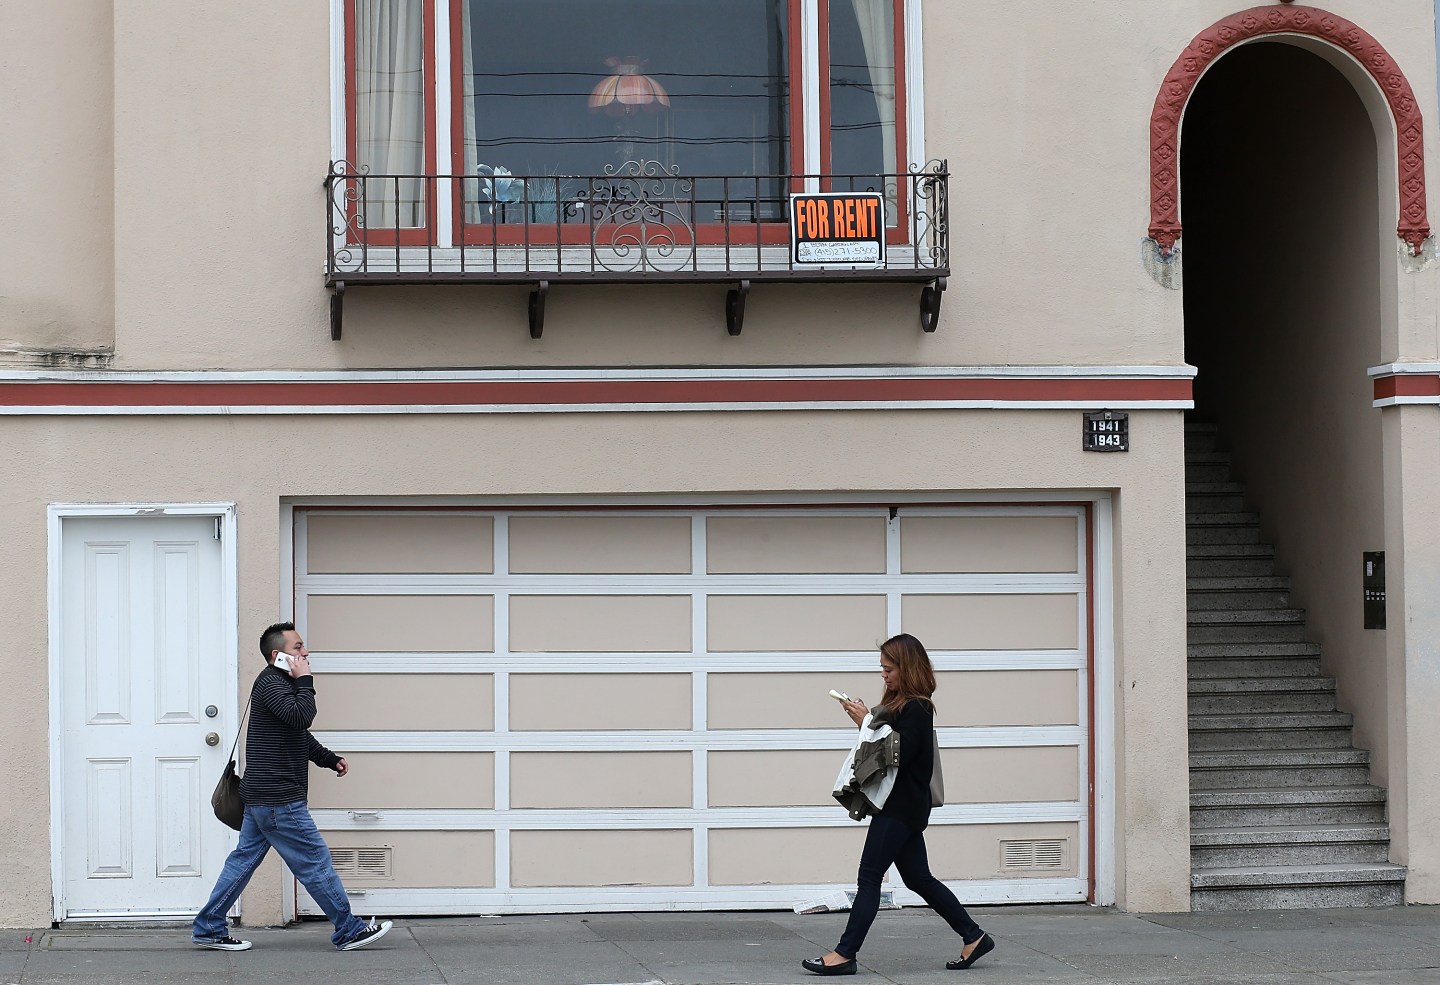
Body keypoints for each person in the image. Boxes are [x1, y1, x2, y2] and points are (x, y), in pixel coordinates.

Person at [192, 621, 393, 952]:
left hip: (264, 798)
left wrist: (328, 758)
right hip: (278, 799)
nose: (305, 652)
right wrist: (306, 680)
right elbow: (303, 716)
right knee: (315, 860)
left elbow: (296, 732)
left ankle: (208, 926)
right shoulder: (273, 682)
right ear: (278, 655)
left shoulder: (279, 685)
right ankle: (348, 929)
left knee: (243, 861)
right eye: (298, 647)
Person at [801, 634, 994, 975]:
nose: (884, 675)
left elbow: (899, 754)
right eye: (882, 668)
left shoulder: (918, 707)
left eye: (889, 669)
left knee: (869, 877)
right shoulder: (903, 706)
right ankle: (973, 936)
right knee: (919, 878)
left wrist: (865, 721)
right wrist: (867, 718)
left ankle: (845, 954)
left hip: (901, 808)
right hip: (904, 806)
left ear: (907, 668)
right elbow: (888, 744)